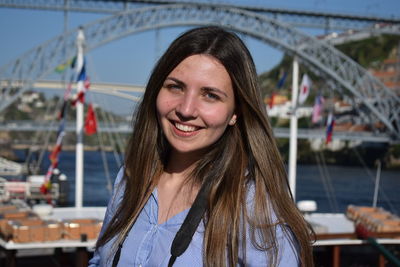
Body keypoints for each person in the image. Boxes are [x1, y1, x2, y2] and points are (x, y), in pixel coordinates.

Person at [89, 26, 314, 267]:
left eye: (210, 95)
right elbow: (100, 261)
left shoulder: (252, 206)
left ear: (235, 113)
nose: (186, 110)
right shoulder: (131, 177)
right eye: (176, 87)